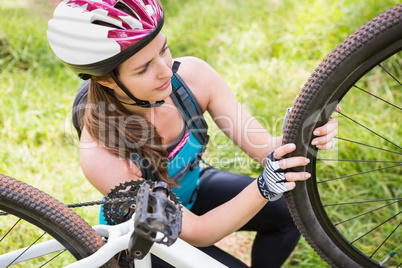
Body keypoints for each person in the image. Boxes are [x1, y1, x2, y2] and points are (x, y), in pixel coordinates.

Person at [47, 0, 338, 267]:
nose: (165, 72)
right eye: (144, 68)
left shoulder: (194, 78)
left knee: (290, 212)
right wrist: (263, 187)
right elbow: (199, 232)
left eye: (163, 50)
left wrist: (302, 132)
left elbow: (265, 148)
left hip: (192, 192)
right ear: (108, 82)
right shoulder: (101, 152)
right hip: (146, 238)